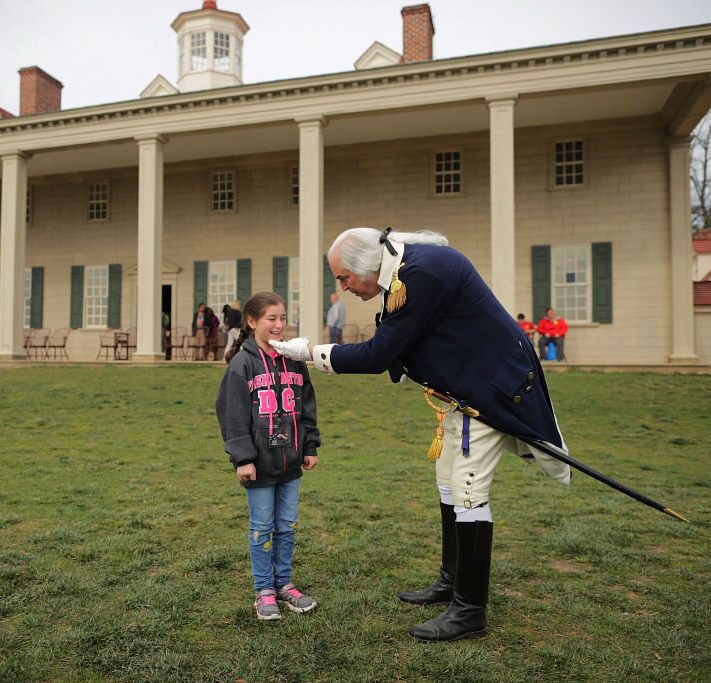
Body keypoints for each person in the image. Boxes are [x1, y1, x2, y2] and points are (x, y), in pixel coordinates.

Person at [270, 227, 571, 643]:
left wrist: (307, 351)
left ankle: (469, 611)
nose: (343, 286)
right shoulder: (409, 271)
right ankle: (451, 581)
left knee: (467, 491)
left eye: (343, 278)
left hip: (488, 392)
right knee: (448, 481)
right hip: (463, 391)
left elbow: (380, 355)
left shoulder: (420, 274)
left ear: (366, 265)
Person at [216, 292, 321, 622]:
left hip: (290, 463)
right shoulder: (242, 364)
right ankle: (264, 590)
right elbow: (232, 415)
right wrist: (243, 457)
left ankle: (284, 584)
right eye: (270, 319)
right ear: (251, 322)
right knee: (262, 526)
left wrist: (309, 446)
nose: (279, 324)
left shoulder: (293, 360)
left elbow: (306, 407)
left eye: (282, 318)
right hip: (258, 465)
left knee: (287, 526)